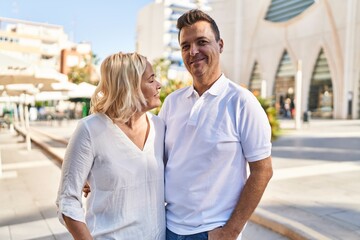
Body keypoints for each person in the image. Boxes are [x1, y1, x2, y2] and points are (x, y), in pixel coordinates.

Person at [158, 9, 273, 240]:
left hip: (213, 231)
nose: (193, 52)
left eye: (202, 42)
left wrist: (230, 232)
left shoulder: (241, 102)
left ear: (220, 44)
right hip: (168, 227)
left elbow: (263, 170)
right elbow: (154, 159)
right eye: (185, 46)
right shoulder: (172, 102)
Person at [56, 52, 165, 239]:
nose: (159, 85)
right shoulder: (89, 129)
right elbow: (67, 200)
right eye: (151, 80)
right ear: (130, 87)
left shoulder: (159, 126)